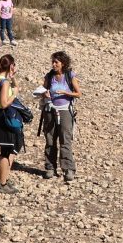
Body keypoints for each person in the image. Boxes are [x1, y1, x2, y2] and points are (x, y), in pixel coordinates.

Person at [41, 52, 81, 182]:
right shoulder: (49, 76)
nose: (53, 64)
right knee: (50, 139)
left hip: (65, 111)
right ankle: (50, 167)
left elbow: (78, 93)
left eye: (56, 62)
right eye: (53, 62)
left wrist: (65, 92)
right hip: (50, 111)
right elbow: (42, 91)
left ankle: (68, 169)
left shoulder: (70, 76)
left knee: (65, 139)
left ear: (63, 63)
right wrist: (44, 94)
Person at [0, 55, 23, 194]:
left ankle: (5, 179)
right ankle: (2, 183)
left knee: (7, 150)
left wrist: (13, 78)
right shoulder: (4, 82)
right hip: (4, 117)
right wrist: (13, 94)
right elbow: (4, 103)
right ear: (11, 66)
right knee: (6, 151)